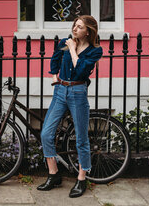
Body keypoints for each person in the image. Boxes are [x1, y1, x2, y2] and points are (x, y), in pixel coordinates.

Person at [36, 15, 103, 198]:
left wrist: (73, 50)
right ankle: (53, 174)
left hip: (78, 93)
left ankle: (82, 178)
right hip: (60, 91)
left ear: (88, 31)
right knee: (46, 133)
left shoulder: (95, 51)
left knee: (81, 138)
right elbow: (55, 58)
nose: (75, 29)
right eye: (74, 25)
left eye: (79, 27)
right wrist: (54, 77)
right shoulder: (65, 42)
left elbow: (81, 70)